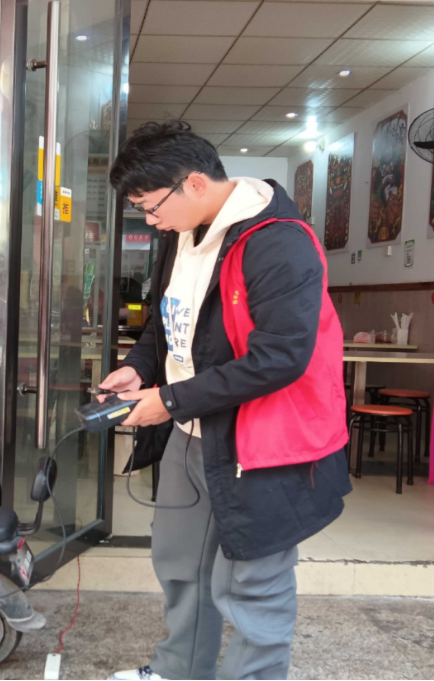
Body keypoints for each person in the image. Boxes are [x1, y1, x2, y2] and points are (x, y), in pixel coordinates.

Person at [102, 121, 352, 681]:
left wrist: (169, 400)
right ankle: (177, 671)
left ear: (194, 183)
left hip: (263, 443)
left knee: (251, 583)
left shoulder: (278, 241)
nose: (150, 220)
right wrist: (138, 368)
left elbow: (281, 357)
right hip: (192, 432)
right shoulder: (183, 233)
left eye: (150, 206)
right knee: (180, 563)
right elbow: (166, 322)